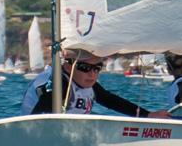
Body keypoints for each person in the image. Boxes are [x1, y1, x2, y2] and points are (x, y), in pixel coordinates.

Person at [25, 49, 164, 117]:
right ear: (68, 66)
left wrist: (148, 115)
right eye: (85, 68)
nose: (92, 74)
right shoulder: (58, 84)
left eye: (97, 68)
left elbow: (110, 100)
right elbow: (38, 120)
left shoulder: (84, 83)